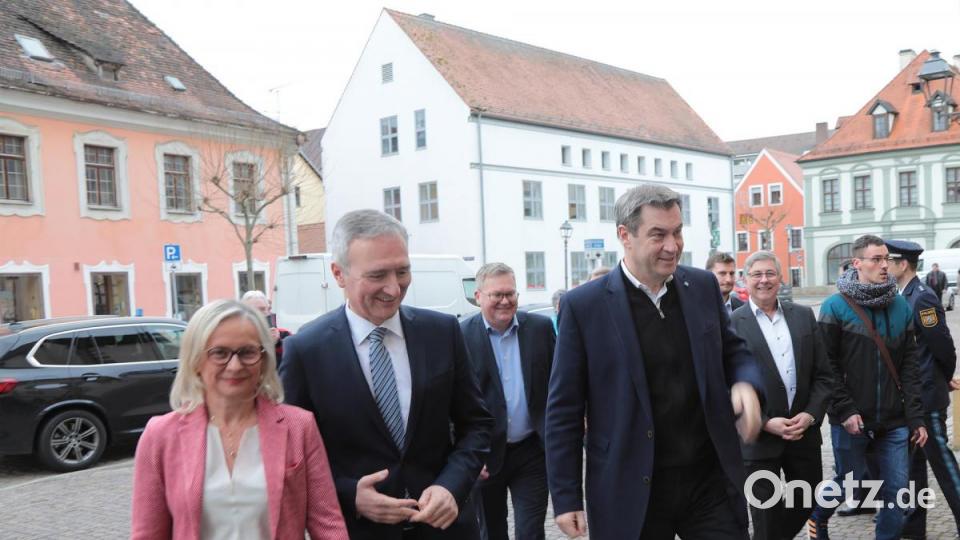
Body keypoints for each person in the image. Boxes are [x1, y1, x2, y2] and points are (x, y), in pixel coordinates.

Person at [545, 184, 764, 539]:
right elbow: (563, 409)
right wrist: (566, 495)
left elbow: (734, 352)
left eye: (677, 232)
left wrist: (746, 384)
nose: (673, 245)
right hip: (630, 487)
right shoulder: (584, 306)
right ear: (625, 235)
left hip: (708, 481)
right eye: (658, 235)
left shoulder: (703, 286)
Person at [280, 209, 493, 540]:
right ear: (338, 274)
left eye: (403, 271)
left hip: (446, 529)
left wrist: (451, 486)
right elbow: (291, 454)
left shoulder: (442, 333)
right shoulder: (306, 350)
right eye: (377, 275)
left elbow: (477, 425)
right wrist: (350, 495)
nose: (394, 289)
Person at [131, 299, 349, 540]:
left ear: (264, 359)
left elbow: (328, 525)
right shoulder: (160, 435)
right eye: (219, 353)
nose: (234, 366)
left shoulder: (299, 427)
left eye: (247, 352)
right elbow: (147, 534)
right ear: (195, 360)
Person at [806, 234, 927, 540]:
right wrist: (844, 410)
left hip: (894, 420)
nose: (884, 265)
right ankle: (818, 517)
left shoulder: (900, 305)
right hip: (851, 419)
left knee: (897, 493)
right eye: (876, 259)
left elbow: (910, 366)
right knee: (849, 482)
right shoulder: (835, 306)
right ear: (857, 263)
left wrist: (916, 417)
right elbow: (826, 367)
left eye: (886, 259)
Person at [731, 251, 834, 540]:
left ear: (780, 277)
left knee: (807, 497)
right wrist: (764, 422)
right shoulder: (731, 324)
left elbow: (824, 375)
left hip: (803, 434)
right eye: (757, 275)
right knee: (764, 514)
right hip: (759, 438)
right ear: (746, 279)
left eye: (770, 273)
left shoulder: (802, 316)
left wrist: (811, 414)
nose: (764, 280)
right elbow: (727, 386)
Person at [461, 263, 555, 540]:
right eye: (496, 295)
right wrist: (467, 456)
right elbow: (451, 404)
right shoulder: (461, 336)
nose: (505, 301)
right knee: (492, 531)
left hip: (531, 452)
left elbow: (557, 384)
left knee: (530, 531)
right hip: (485, 456)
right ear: (478, 296)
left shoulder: (539, 329)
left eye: (510, 294)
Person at [886, 240, 960, 540]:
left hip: (927, 398)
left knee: (943, 464)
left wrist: (943, 378)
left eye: (888, 260)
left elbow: (944, 347)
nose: (883, 265)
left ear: (903, 264)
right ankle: (914, 527)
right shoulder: (901, 295)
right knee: (913, 466)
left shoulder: (922, 298)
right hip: (910, 400)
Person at [241, 290, 292, 362]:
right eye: (253, 310)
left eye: (263, 309)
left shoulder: (284, 334)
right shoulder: (238, 337)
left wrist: (277, 344)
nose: (259, 314)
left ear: (269, 311)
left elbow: (290, 363)